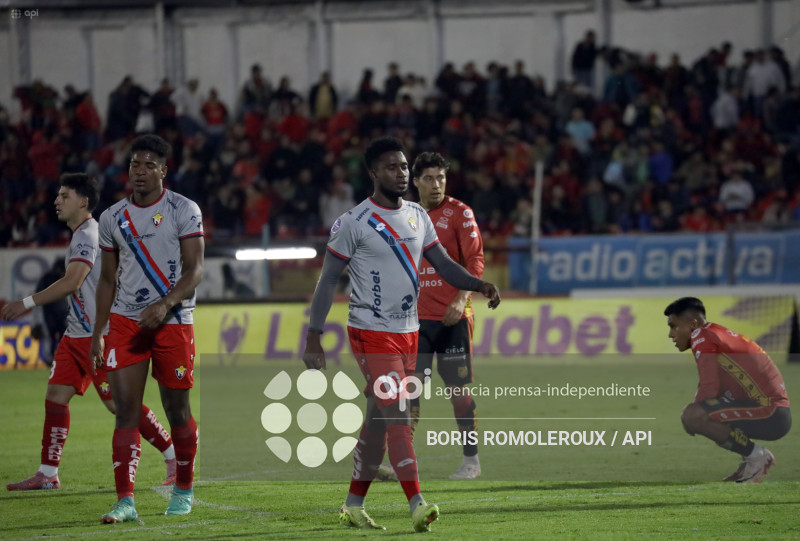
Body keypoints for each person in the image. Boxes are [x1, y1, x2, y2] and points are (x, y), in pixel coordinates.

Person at [302, 136, 501, 533]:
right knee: (399, 413)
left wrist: (479, 285)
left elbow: (444, 265)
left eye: (405, 167)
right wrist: (313, 335)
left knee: (378, 419)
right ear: (374, 173)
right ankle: (417, 504)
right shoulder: (353, 223)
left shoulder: (416, 215)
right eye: (392, 167)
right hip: (371, 333)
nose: (402, 174)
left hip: (409, 333)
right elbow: (327, 282)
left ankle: (353, 505)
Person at [3, 173, 176, 491]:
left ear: (83, 201)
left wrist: (26, 303)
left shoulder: (88, 235)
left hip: (102, 336)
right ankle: (48, 473)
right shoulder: (83, 234)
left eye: (64, 195)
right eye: (57, 195)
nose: (57, 200)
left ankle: (173, 456)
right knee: (56, 396)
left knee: (120, 406)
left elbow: (73, 281)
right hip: (75, 335)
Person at [90, 135, 204, 523]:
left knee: (177, 410)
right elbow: (107, 280)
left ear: (163, 170)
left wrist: (165, 304)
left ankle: (184, 487)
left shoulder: (183, 210)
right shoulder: (111, 218)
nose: (139, 171)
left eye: (148, 165)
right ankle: (125, 500)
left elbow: (195, 270)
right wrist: (98, 331)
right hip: (126, 322)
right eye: (134, 164)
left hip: (173, 321)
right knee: (126, 410)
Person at [665, 297, 791, 482]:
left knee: (694, 415)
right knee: (698, 414)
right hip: (770, 409)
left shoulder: (702, 335)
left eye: (673, 326)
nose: (670, 334)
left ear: (692, 324)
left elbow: (709, 386)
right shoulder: (714, 332)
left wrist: (694, 417)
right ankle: (752, 459)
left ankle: (757, 456)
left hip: (770, 411)